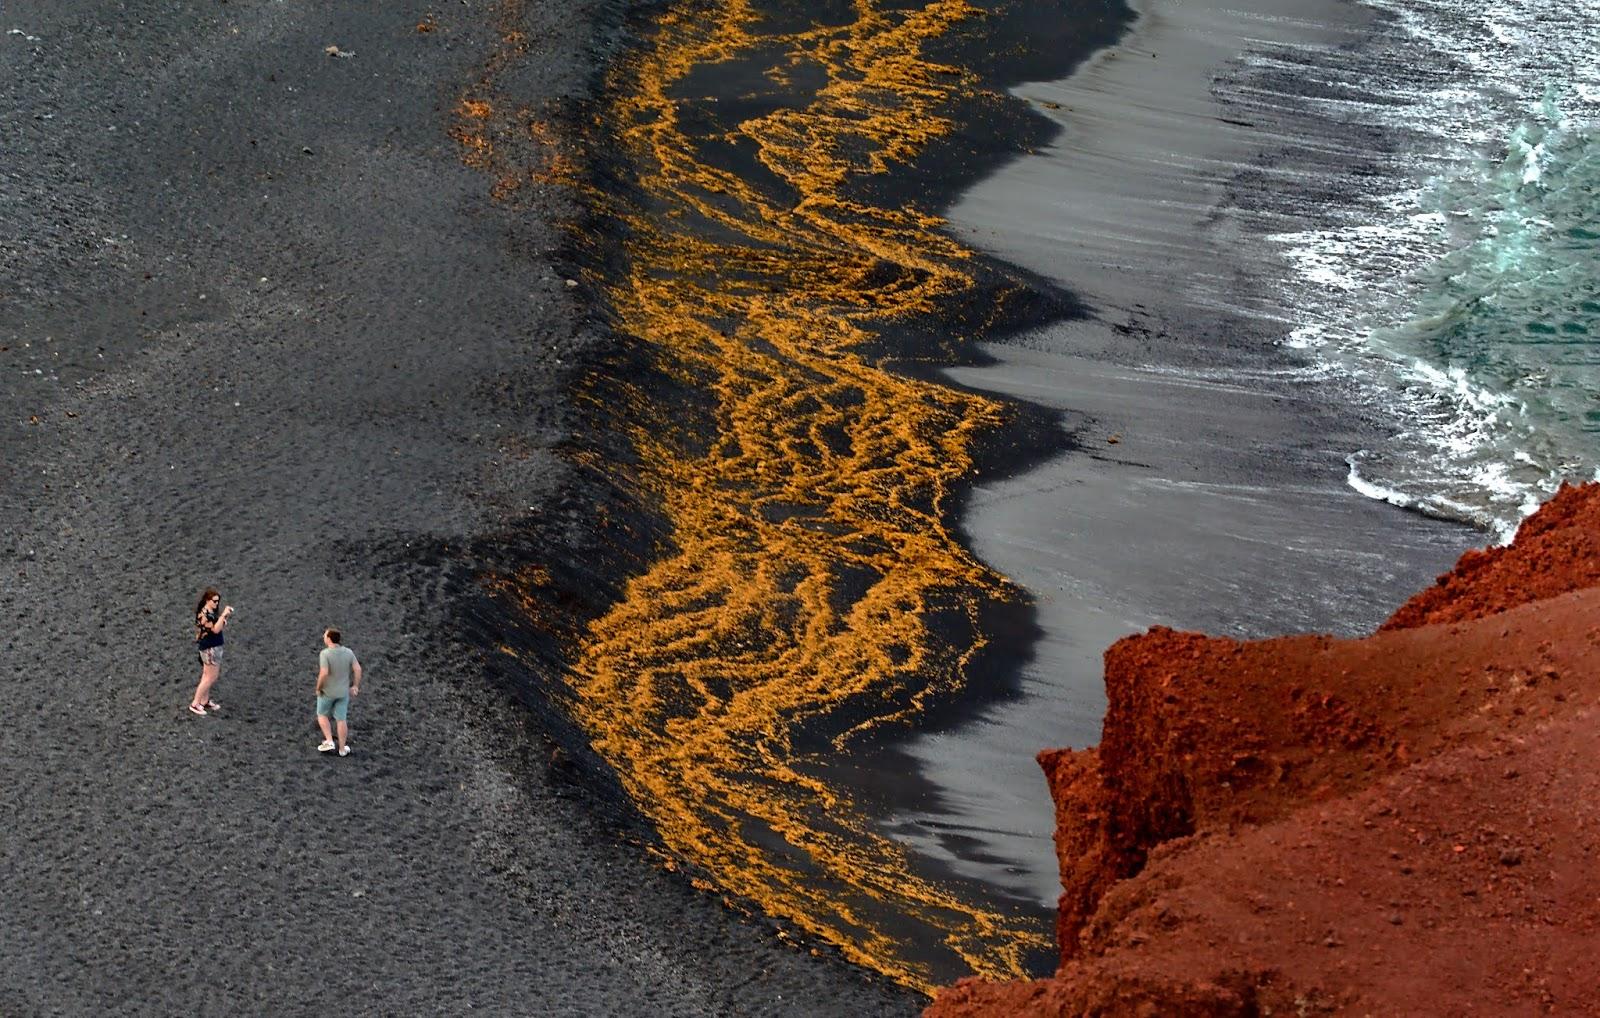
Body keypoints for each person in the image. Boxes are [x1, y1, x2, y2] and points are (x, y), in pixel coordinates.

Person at [314, 628, 362, 756]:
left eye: (325, 635)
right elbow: (357, 669)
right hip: (343, 692)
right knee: (341, 719)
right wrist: (355, 686)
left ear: (329, 638)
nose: (324, 637)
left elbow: (324, 673)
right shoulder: (348, 652)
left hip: (327, 692)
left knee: (322, 715)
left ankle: (329, 740)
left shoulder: (325, 654)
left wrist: (318, 688)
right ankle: (342, 749)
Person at [190, 588, 233, 716]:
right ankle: (195, 703)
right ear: (207, 601)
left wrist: (222, 619)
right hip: (210, 648)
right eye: (214, 601)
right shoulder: (204, 615)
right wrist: (223, 615)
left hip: (214, 646)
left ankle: (204, 700)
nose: (216, 604)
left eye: (217, 601)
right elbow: (215, 629)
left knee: (206, 675)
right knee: (210, 677)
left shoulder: (210, 612)